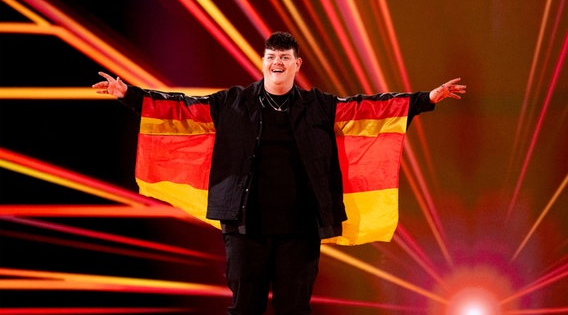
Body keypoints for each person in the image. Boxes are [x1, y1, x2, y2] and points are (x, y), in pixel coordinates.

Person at [93, 31, 465, 315]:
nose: (277, 62)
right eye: (271, 56)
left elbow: (368, 109)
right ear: (263, 62)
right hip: (244, 229)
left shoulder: (319, 106)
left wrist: (424, 100)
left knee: (294, 311)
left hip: (300, 232)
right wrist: (130, 95)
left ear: (297, 65)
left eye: (285, 57)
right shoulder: (232, 102)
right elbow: (180, 109)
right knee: (244, 309)